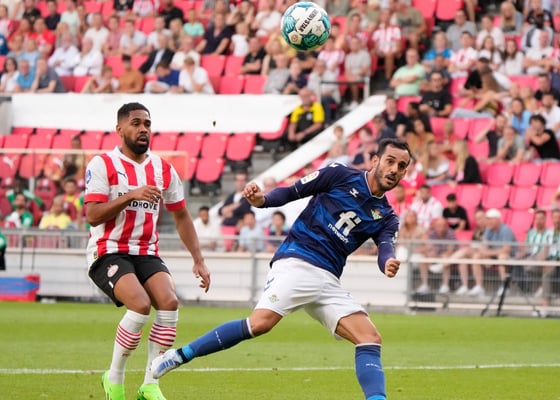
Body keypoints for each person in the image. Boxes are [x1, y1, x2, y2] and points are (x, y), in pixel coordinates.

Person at [150, 138, 412, 400]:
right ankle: (179, 355)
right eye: (390, 161)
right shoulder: (339, 175)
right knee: (259, 324)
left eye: (401, 166)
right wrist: (262, 200)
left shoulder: (387, 216)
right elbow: (291, 192)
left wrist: (388, 262)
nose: (394, 170)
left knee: (370, 338)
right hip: (298, 262)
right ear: (375, 160)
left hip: (328, 279)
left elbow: (386, 247)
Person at [84, 102, 211, 400]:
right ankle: (113, 379)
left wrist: (199, 260)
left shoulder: (163, 169)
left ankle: (150, 384)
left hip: (146, 252)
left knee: (169, 303)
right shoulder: (102, 164)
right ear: (120, 129)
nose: (143, 129)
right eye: (136, 123)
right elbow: (92, 215)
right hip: (108, 251)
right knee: (140, 305)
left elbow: (182, 216)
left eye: (147, 124)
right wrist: (130, 195)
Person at [468, 208, 517, 297]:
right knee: (477, 256)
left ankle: (504, 287)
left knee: (502, 257)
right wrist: (486, 255)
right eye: (488, 219)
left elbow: (506, 249)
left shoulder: (505, 230)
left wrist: (488, 253)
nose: (489, 221)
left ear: (498, 219)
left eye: (491, 219)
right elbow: (484, 247)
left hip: (510, 256)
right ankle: (479, 286)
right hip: (494, 255)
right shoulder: (488, 230)